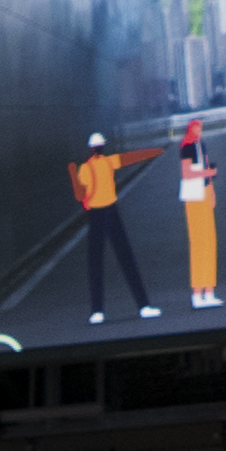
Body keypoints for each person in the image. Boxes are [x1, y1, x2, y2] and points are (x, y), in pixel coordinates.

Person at [68, 133, 155, 322]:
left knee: (95, 262)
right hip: (111, 211)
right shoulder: (109, 162)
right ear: (102, 147)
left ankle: (97, 311)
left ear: (91, 148)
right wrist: (153, 151)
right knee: (126, 258)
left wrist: (72, 173)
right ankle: (144, 306)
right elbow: (130, 158)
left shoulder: (85, 168)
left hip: (96, 215)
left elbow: (79, 195)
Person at [174, 117, 224, 310]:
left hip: (204, 195)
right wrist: (208, 174)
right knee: (198, 243)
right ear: (190, 129)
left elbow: (206, 167)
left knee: (210, 241)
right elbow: (186, 173)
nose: (199, 131)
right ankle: (197, 293)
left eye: (200, 128)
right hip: (193, 199)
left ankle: (209, 291)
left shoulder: (201, 145)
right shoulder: (186, 147)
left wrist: (211, 191)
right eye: (196, 128)